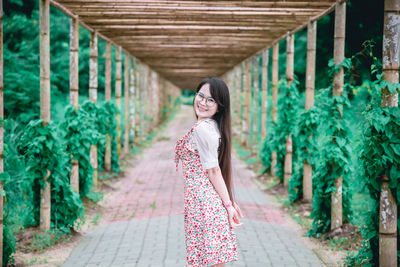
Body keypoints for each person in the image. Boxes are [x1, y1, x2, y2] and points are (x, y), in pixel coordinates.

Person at [175, 77, 243, 267]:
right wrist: (228, 202)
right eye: (201, 96)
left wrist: (229, 205)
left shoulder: (201, 129)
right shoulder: (211, 126)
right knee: (213, 263)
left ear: (219, 106)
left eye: (211, 100)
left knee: (210, 263)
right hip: (205, 203)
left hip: (204, 204)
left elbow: (213, 170)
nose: (203, 102)